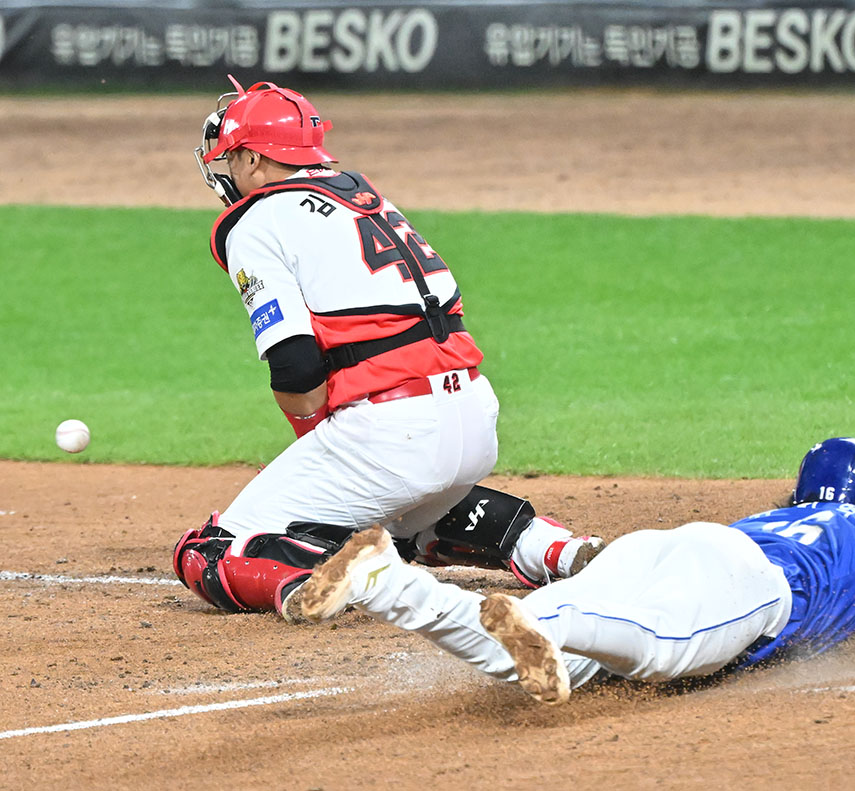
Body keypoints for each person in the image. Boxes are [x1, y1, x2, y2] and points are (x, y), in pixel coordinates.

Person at [172, 75, 603, 622]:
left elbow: (296, 364)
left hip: (391, 433)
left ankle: (330, 578)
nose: (226, 170)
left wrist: (313, 432)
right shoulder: (361, 195)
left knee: (209, 551)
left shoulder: (256, 220)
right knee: (404, 506)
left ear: (256, 160)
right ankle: (551, 548)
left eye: (232, 157)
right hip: (473, 418)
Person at [298, 437, 855, 705]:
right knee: (664, 650)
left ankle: (389, 579)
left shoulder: (779, 513)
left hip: (669, 543)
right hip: (743, 589)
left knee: (525, 663)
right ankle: (541, 619)